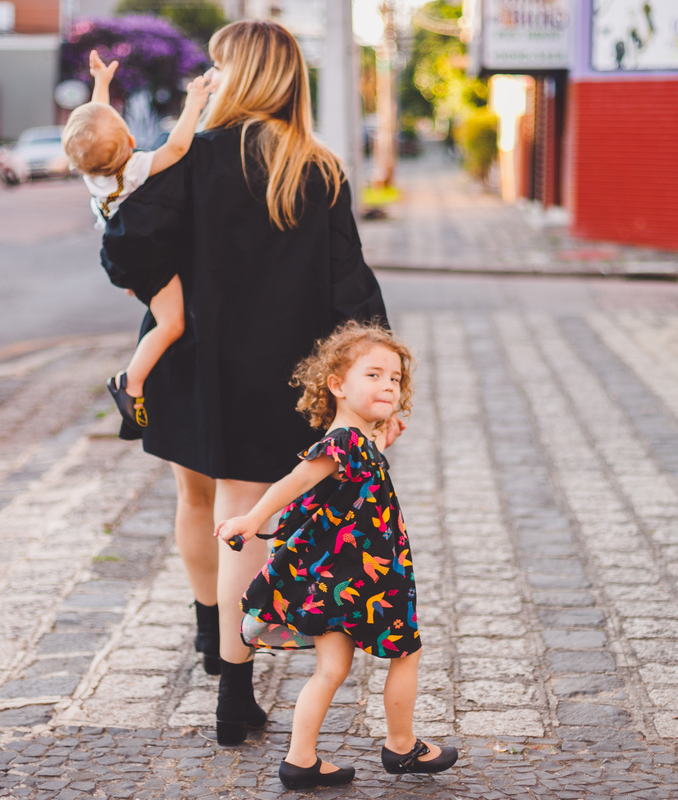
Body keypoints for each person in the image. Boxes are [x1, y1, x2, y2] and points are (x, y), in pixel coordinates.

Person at [98, 19, 387, 744]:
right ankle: (223, 664)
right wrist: (373, 386)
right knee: (239, 517)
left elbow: (126, 242)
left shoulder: (195, 157)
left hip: (190, 364)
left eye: (219, 66)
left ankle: (225, 672)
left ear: (244, 74)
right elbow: (350, 292)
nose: (212, 78)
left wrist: (151, 290)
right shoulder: (317, 168)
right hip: (278, 377)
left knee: (203, 502)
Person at [215, 322, 458, 790]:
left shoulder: (356, 442)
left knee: (333, 669)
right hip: (366, 582)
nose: (388, 384)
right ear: (336, 385)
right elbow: (294, 482)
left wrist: (381, 443)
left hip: (335, 579)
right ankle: (401, 745)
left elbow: (354, 480)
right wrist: (251, 518)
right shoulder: (342, 442)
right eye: (373, 375)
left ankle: (300, 760)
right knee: (407, 652)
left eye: (394, 379)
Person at [62, 50, 212, 435]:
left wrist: (101, 85)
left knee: (162, 307)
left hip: (123, 254)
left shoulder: (93, 173)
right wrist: (194, 104)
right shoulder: (135, 169)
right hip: (145, 258)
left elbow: (96, 127)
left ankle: (140, 306)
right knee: (172, 324)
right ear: (130, 139)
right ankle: (131, 381)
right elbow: (177, 149)